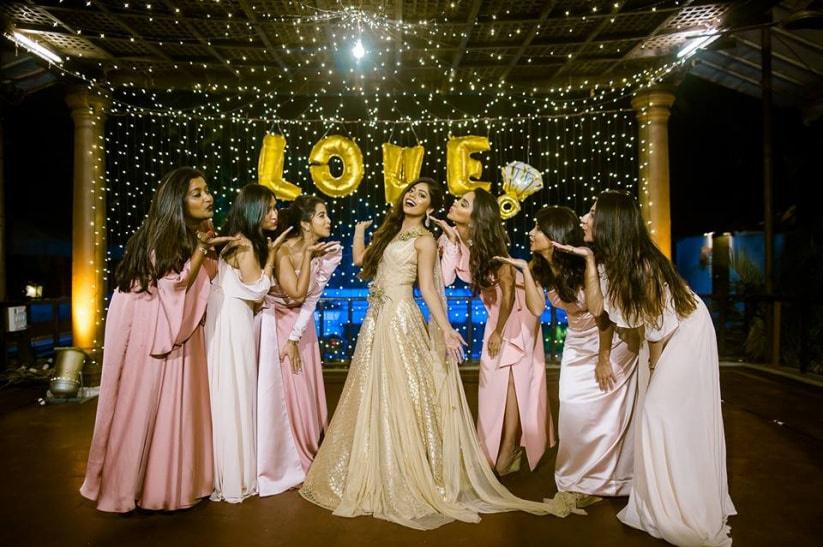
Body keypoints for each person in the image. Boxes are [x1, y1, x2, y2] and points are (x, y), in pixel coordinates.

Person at [299, 178, 577, 530]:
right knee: (374, 393)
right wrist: (359, 231)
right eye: (411, 192)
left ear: (429, 208)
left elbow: (430, 288)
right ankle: (378, 463)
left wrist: (445, 328)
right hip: (375, 321)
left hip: (401, 318)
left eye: (422, 195)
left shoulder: (426, 239)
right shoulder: (392, 234)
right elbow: (364, 264)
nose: (413, 197)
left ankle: (416, 467)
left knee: (405, 395)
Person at [555, 189, 736, 546]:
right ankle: (657, 502)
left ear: (610, 222)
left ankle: (682, 505)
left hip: (682, 334)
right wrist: (590, 262)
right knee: (654, 419)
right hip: (660, 335)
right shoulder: (611, 260)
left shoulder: (639, 261)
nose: (583, 219)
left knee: (658, 415)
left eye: (591, 213)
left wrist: (655, 370)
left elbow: (659, 323)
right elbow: (597, 311)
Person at [80, 167, 233, 512]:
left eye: (207, 190)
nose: (207, 197)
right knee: (143, 411)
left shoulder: (196, 234)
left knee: (176, 413)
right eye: (197, 193)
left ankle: (169, 486)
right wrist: (200, 252)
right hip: (155, 340)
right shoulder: (160, 239)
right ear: (176, 202)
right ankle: (128, 489)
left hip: (181, 335)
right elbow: (173, 288)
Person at [496, 205, 639, 509]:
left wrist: (603, 359)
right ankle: (578, 477)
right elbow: (536, 309)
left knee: (601, 411)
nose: (531, 233)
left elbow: (605, 318)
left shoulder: (586, 265)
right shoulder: (540, 267)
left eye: (538, 229)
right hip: (576, 342)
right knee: (573, 412)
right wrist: (525, 271)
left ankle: (606, 478)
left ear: (555, 235)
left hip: (609, 342)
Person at [434, 189, 550, 474]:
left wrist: (499, 332)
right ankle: (498, 450)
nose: (454, 204)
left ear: (476, 218)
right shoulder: (452, 239)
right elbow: (446, 279)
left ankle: (509, 449)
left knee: (513, 383)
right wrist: (449, 241)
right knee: (495, 381)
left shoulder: (492, 245)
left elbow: (509, 289)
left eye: (463, 203)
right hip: (496, 314)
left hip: (516, 313)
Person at [205, 184, 293, 503]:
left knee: (224, 391)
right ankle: (236, 473)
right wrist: (270, 257)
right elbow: (258, 290)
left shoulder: (237, 238)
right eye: (269, 208)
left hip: (223, 316)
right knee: (235, 391)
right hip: (233, 319)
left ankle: (224, 466)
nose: (274, 214)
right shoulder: (246, 244)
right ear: (254, 210)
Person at [255, 195, 340, 494]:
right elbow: (294, 293)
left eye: (326, 214)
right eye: (321, 215)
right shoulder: (284, 251)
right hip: (276, 321)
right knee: (288, 389)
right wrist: (287, 337)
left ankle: (311, 445)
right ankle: (287, 456)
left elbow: (310, 299)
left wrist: (295, 336)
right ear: (305, 223)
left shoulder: (329, 253)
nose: (328, 220)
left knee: (306, 387)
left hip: (301, 326)